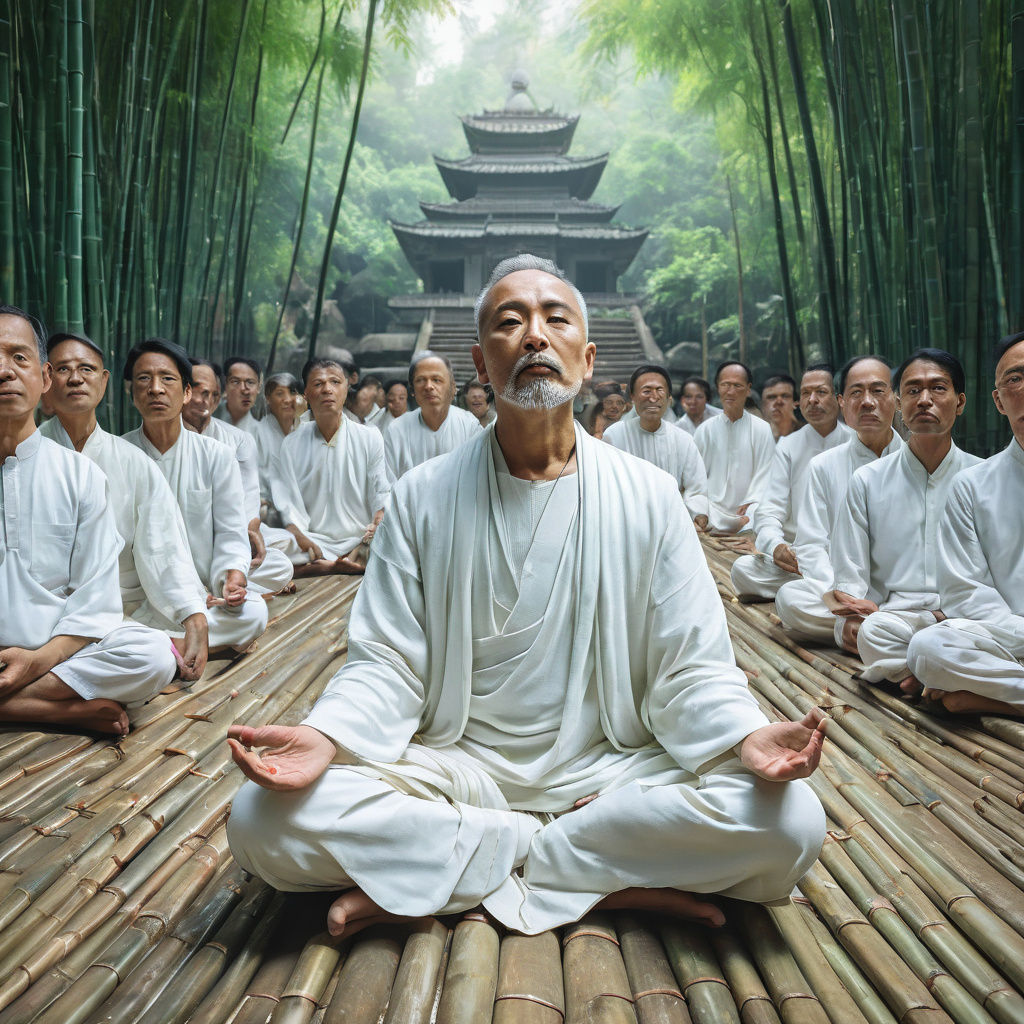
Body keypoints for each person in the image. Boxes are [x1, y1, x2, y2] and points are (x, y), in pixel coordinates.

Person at [226, 254, 826, 941]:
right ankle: (593, 874)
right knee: (261, 822)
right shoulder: (422, 497)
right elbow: (386, 663)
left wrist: (745, 736)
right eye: (510, 323)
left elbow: (689, 664)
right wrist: (326, 736)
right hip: (456, 769)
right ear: (482, 364)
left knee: (793, 822)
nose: (534, 336)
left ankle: (457, 872)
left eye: (554, 319)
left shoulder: (650, 497)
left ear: (589, 357)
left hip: (612, 768)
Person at [0, 307, 177, 735]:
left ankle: (15, 703)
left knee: (153, 652)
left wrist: (39, 660)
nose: (4, 371)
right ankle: (48, 709)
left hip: (58, 650)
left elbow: (96, 600)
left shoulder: (81, 475)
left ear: (43, 379)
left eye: (18, 357)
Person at [41, 332, 209, 682]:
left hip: (119, 610)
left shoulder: (132, 461)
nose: (75, 378)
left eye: (86, 369)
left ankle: (40, 687)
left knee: (154, 657)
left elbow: (163, 547)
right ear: (44, 380)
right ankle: (48, 698)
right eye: (62, 369)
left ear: (103, 383)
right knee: (156, 657)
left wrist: (193, 614)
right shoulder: (24, 455)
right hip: (42, 614)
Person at [827, 349, 980, 688]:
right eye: (913, 390)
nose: (925, 399)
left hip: (965, 619)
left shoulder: (983, 479)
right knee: (870, 633)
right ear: (898, 403)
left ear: (960, 402)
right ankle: (949, 679)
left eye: (938, 388)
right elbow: (850, 569)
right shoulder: (867, 480)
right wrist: (854, 611)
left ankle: (915, 675)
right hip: (893, 618)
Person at [123, 338, 269, 653]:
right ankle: (187, 645)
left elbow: (231, 533)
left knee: (255, 612)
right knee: (110, 620)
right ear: (130, 392)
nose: (156, 389)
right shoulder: (118, 455)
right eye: (144, 379)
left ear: (187, 392)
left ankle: (164, 648)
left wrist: (232, 577)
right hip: (140, 599)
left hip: (204, 593)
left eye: (168, 379)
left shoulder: (217, 455)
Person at [907, 332, 1024, 714]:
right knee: (929, 649)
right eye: (1015, 378)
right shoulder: (971, 485)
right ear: (999, 401)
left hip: (1007, 655)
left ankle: (1004, 699)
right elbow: (964, 593)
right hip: (1006, 638)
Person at [775, 356, 903, 643]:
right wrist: (842, 598)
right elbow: (810, 543)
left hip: (903, 594)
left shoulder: (915, 463)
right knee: (789, 599)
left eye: (878, 391)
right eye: (856, 393)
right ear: (842, 402)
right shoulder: (823, 465)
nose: (867, 402)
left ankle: (866, 630)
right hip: (840, 588)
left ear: (896, 399)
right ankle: (878, 631)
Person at [731, 365, 851, 600]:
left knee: (791, 597)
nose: (812, 400)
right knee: (743, 570)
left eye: (821, 392)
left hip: (849, 557)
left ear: (839, 399)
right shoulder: (789, 445)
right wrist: (776, 546)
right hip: (800, 558)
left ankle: (819, 591)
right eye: (806, 393)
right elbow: (770, 510)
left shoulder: (857, 441)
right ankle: (825, 591)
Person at [184, 359, 295, 599]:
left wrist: (249, 529)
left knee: (281, 560)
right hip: (185, 542)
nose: (204, 399)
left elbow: (249, 492)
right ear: (183, 392)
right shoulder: (169, 439)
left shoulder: (238, 438)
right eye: (196, 390)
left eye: (211, 393)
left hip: (232, 533)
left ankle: (223, 585)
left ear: (217, 397)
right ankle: (222, 588)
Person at [270, 358, 390, 576]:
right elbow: (287, 506)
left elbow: (381, 490)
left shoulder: (370, 436)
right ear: (305, 394)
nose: (327, 389)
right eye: (318, 384)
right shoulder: (291, 443)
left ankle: (322, 566)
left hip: (359, 539)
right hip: (312, 541)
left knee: (395, 537)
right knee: (267, 541)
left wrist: (378, 521)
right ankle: (333, 565)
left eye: (335, 382)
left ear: (346, 388)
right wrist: (301, 539)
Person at [603, 364, 709, 528]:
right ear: (632, 396)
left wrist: (698, 514)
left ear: (669, 398)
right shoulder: (614, 436)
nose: (653, 398)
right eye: (646, 391)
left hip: (674, 524)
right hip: (626, 524)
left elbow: (696, 488)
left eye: (659, 391)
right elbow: (606, 488)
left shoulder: (683, 440)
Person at [694, 361, 774, 534]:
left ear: (748, 389)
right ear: (718, 388)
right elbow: (696, 478)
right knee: (694, 507)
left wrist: (752, 502)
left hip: (748, 511)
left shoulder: (761, 428)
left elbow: (766, 474)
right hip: (712, 509)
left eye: (737, 385)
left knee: (762, 513)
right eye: (725, 385)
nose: (730, 391)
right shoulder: (704, 430)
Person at [383, 351, 478, 481]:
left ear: (452, 387)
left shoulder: (470, 426)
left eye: (436, 380)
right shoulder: (396, 430)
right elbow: (387, 485)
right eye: (421, 380)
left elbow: (479, 477)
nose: (428, 386)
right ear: (412, 390)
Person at [253, 372, 300, 520]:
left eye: (292, 393)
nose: (287, 400)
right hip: (272, 512)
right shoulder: (258, 433)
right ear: (268, 398)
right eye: (280, 394)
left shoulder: (304, 431)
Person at [221, 356, 262, 434]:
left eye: (250, 382)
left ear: (258, 388)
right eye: (236, 382)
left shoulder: (261, 433)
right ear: (225, 385)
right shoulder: (207, 416)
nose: (245, 391)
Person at [761, 374, 800, 441]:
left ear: (795, 403)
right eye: (771, 397)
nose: (779, 402)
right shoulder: (754, 437)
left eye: (785, 396)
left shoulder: (808, 434)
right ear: (762, 405)